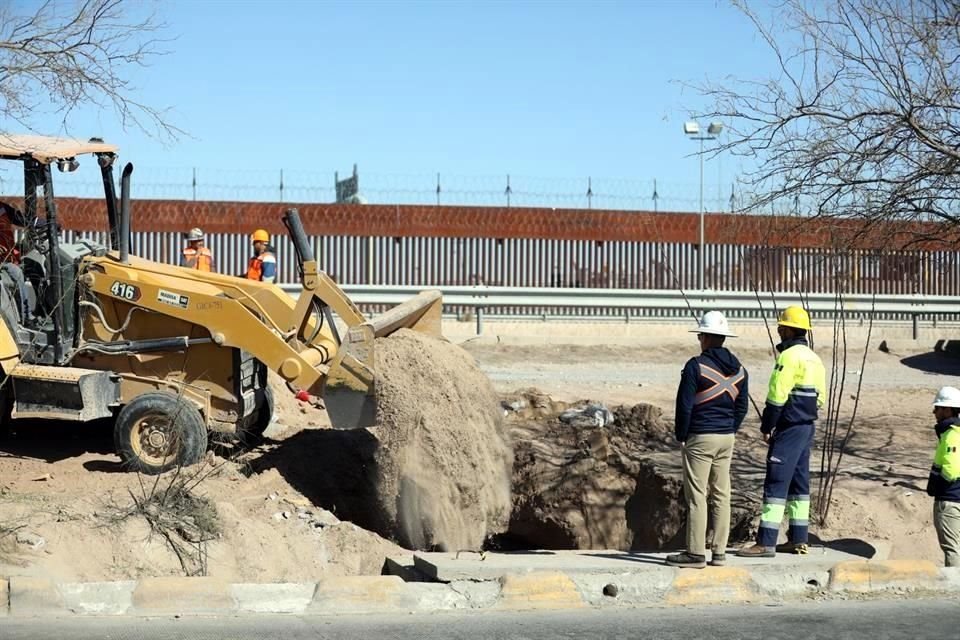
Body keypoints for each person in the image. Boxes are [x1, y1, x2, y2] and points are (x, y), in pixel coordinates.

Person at [738, 306, 826, 558]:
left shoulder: (788, 358)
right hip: (807, 427)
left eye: (780, 328)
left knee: (776, 483)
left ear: (787, 330)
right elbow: (821, 399)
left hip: (788, 428)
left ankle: (765, 542)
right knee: (799, 485)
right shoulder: (814, 358)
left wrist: (768, 426)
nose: (779, 332)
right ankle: (799, 539)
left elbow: (776, 397)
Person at [667, 311, 749, 569]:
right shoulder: (740, 369)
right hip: (726, 438)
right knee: (722, 494)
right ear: (723, 338)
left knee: (697, 496)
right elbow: (742, 406)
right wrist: (730, 428)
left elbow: (685, 405)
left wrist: (682, 434)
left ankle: (695, 553)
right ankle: (720, 552)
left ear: (704, 337)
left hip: (700, 437)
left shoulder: (695, 366)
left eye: (700, 335)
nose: (699, 339)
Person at [927, 386, 960, 567]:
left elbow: (951, 470)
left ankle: (955, 588)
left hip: (950, 500)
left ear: (947, 410)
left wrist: (937, 487)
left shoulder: (950, 434)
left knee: (952, 548)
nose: (934, 412)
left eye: (937, 408)